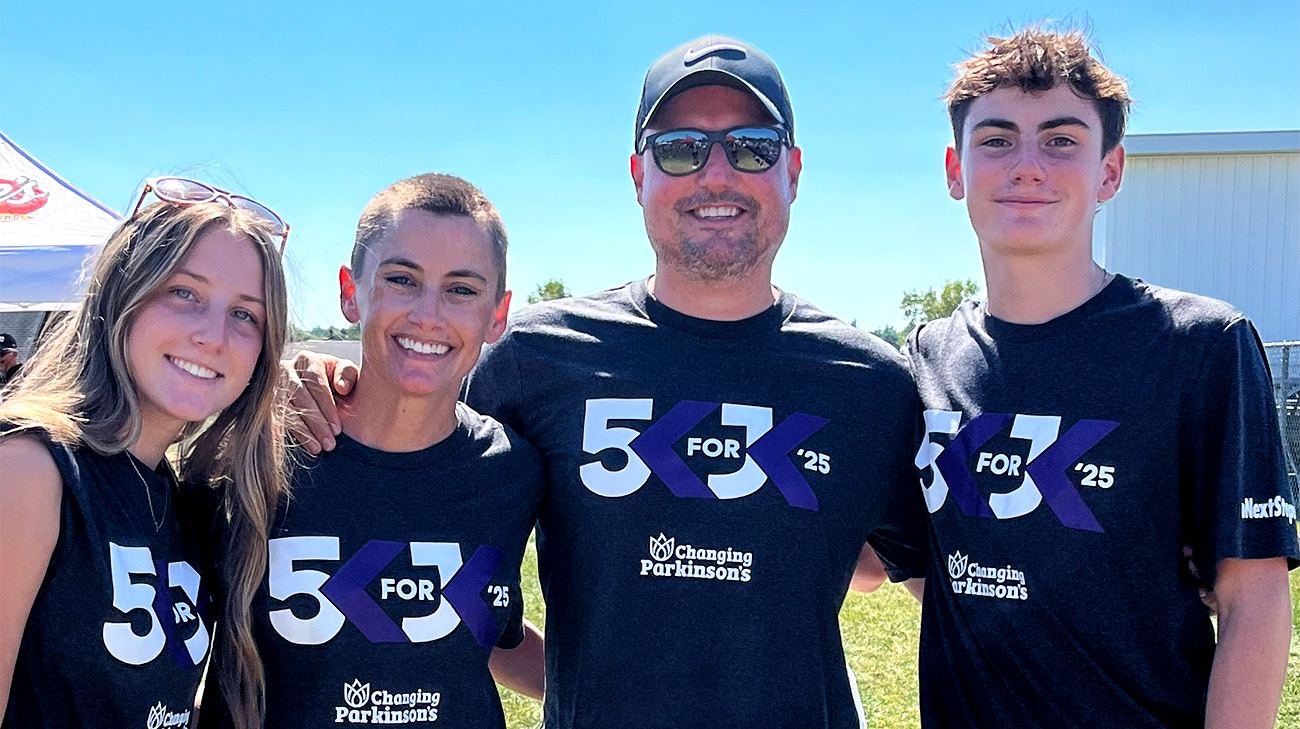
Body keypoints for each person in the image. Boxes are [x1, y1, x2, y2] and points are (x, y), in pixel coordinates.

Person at [291, 36, 923, 728]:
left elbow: (947, 586)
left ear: (793, 172)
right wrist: (310, 386)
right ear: (637, 175)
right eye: (681, 148)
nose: (716, 173)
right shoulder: (535, 359)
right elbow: (426, 511)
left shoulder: (871, 384)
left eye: (752, 147)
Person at [902, 27, 1298, 728]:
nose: (1027, 165)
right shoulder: (925, 357)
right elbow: (908, 554)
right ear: (954, 168)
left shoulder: (1201, 344)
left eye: (1061, 140)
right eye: (996, 140)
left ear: (1110, 171)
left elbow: (1255, 599)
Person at [201, 173, 544, 729]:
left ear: (497, 315)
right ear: (350, 291)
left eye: (462, 289)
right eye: (402, 279)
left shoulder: (513, 472)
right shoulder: (255, 452)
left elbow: (488, 630)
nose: (428, 314)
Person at [0, 177, 290, 727]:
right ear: (123, 294)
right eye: (185, 292)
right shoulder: (30, 471)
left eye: (246, 314)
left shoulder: (180, 499)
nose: (214, 335)